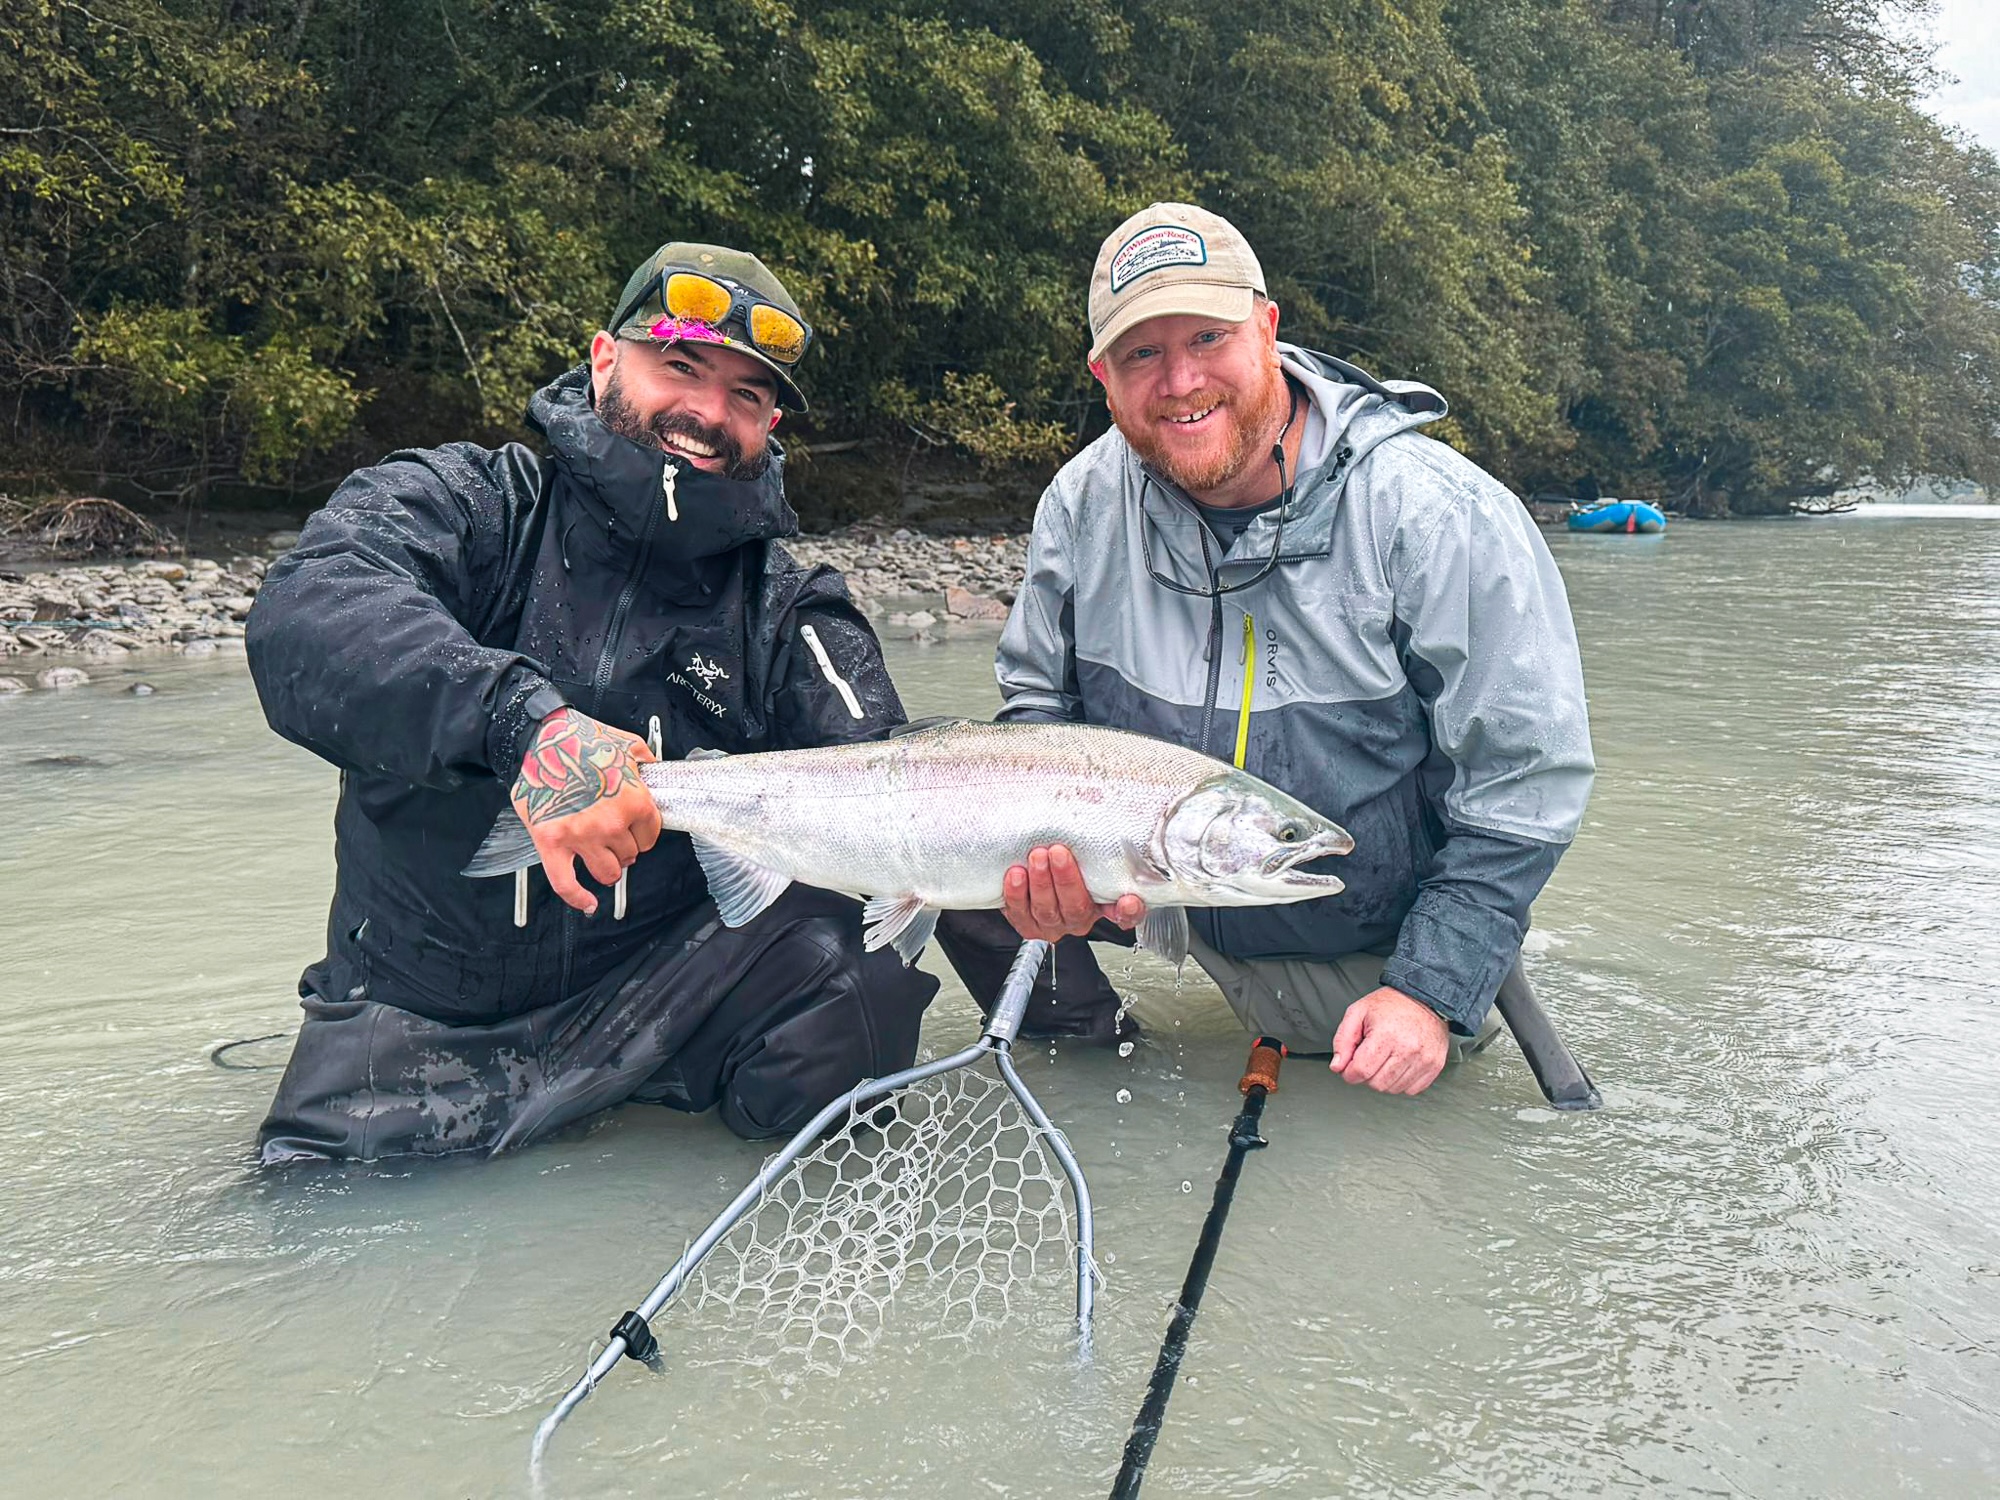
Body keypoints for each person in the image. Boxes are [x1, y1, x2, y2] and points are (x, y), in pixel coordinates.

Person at [245, 242, 936, 1162]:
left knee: (863, 968)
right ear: (606, 359)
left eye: (746, 395)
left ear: (771, 423)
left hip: (667, 1003)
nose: (707, 412)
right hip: (420, 1012)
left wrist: (1038, 883)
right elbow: (306, 612)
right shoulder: (473, 502)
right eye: (680, 367)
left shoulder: (788, 603)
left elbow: (898, 779)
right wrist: (523, 725)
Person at [935, 203, 1595, 1095]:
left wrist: (1429, 990)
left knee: (1381, 1134)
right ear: (1103, 376)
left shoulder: (1438, 516)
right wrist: (1053, 878)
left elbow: (1525, 785)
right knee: (934, 833)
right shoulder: (1080, 504)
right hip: (1150, 891)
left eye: (1209, 337)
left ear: (1268, 329)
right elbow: (1037, 716)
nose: (1180, 380)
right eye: (1142, 354)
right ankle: (1083, 1054)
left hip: (1357, 931)